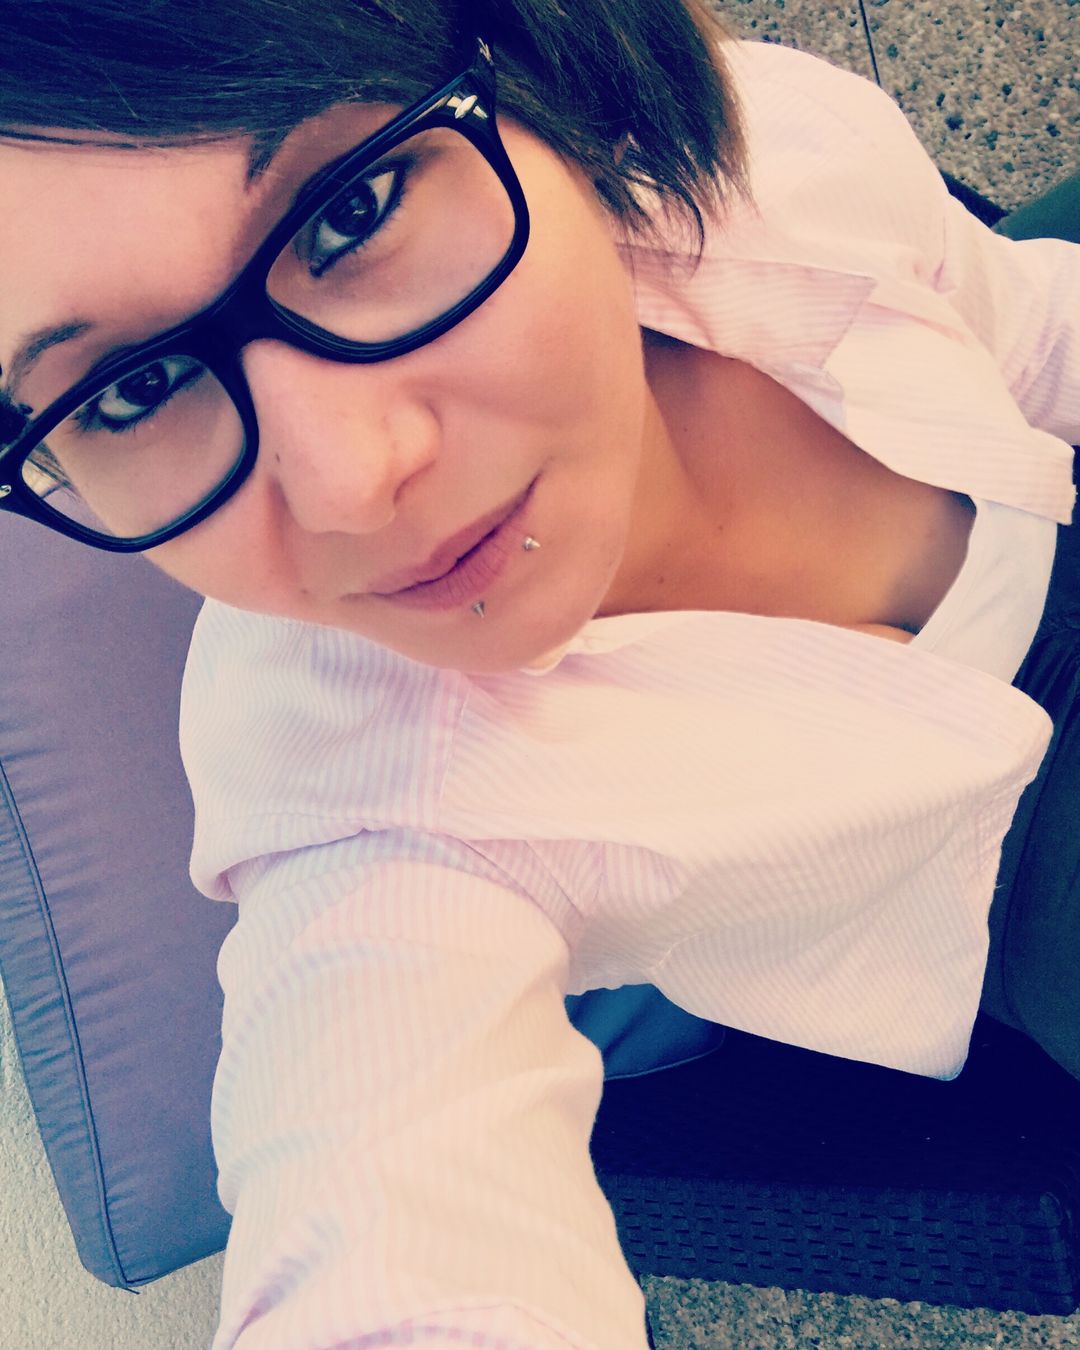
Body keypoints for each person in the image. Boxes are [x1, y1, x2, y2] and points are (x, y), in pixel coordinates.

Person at [1, 2, 1078, 1346]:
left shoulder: (782, 157)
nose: (352, 483)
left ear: (531, 68)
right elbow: (381, 1176)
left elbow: (1030, 332)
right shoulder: (367, 826)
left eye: (350, 212)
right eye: (132, 389)